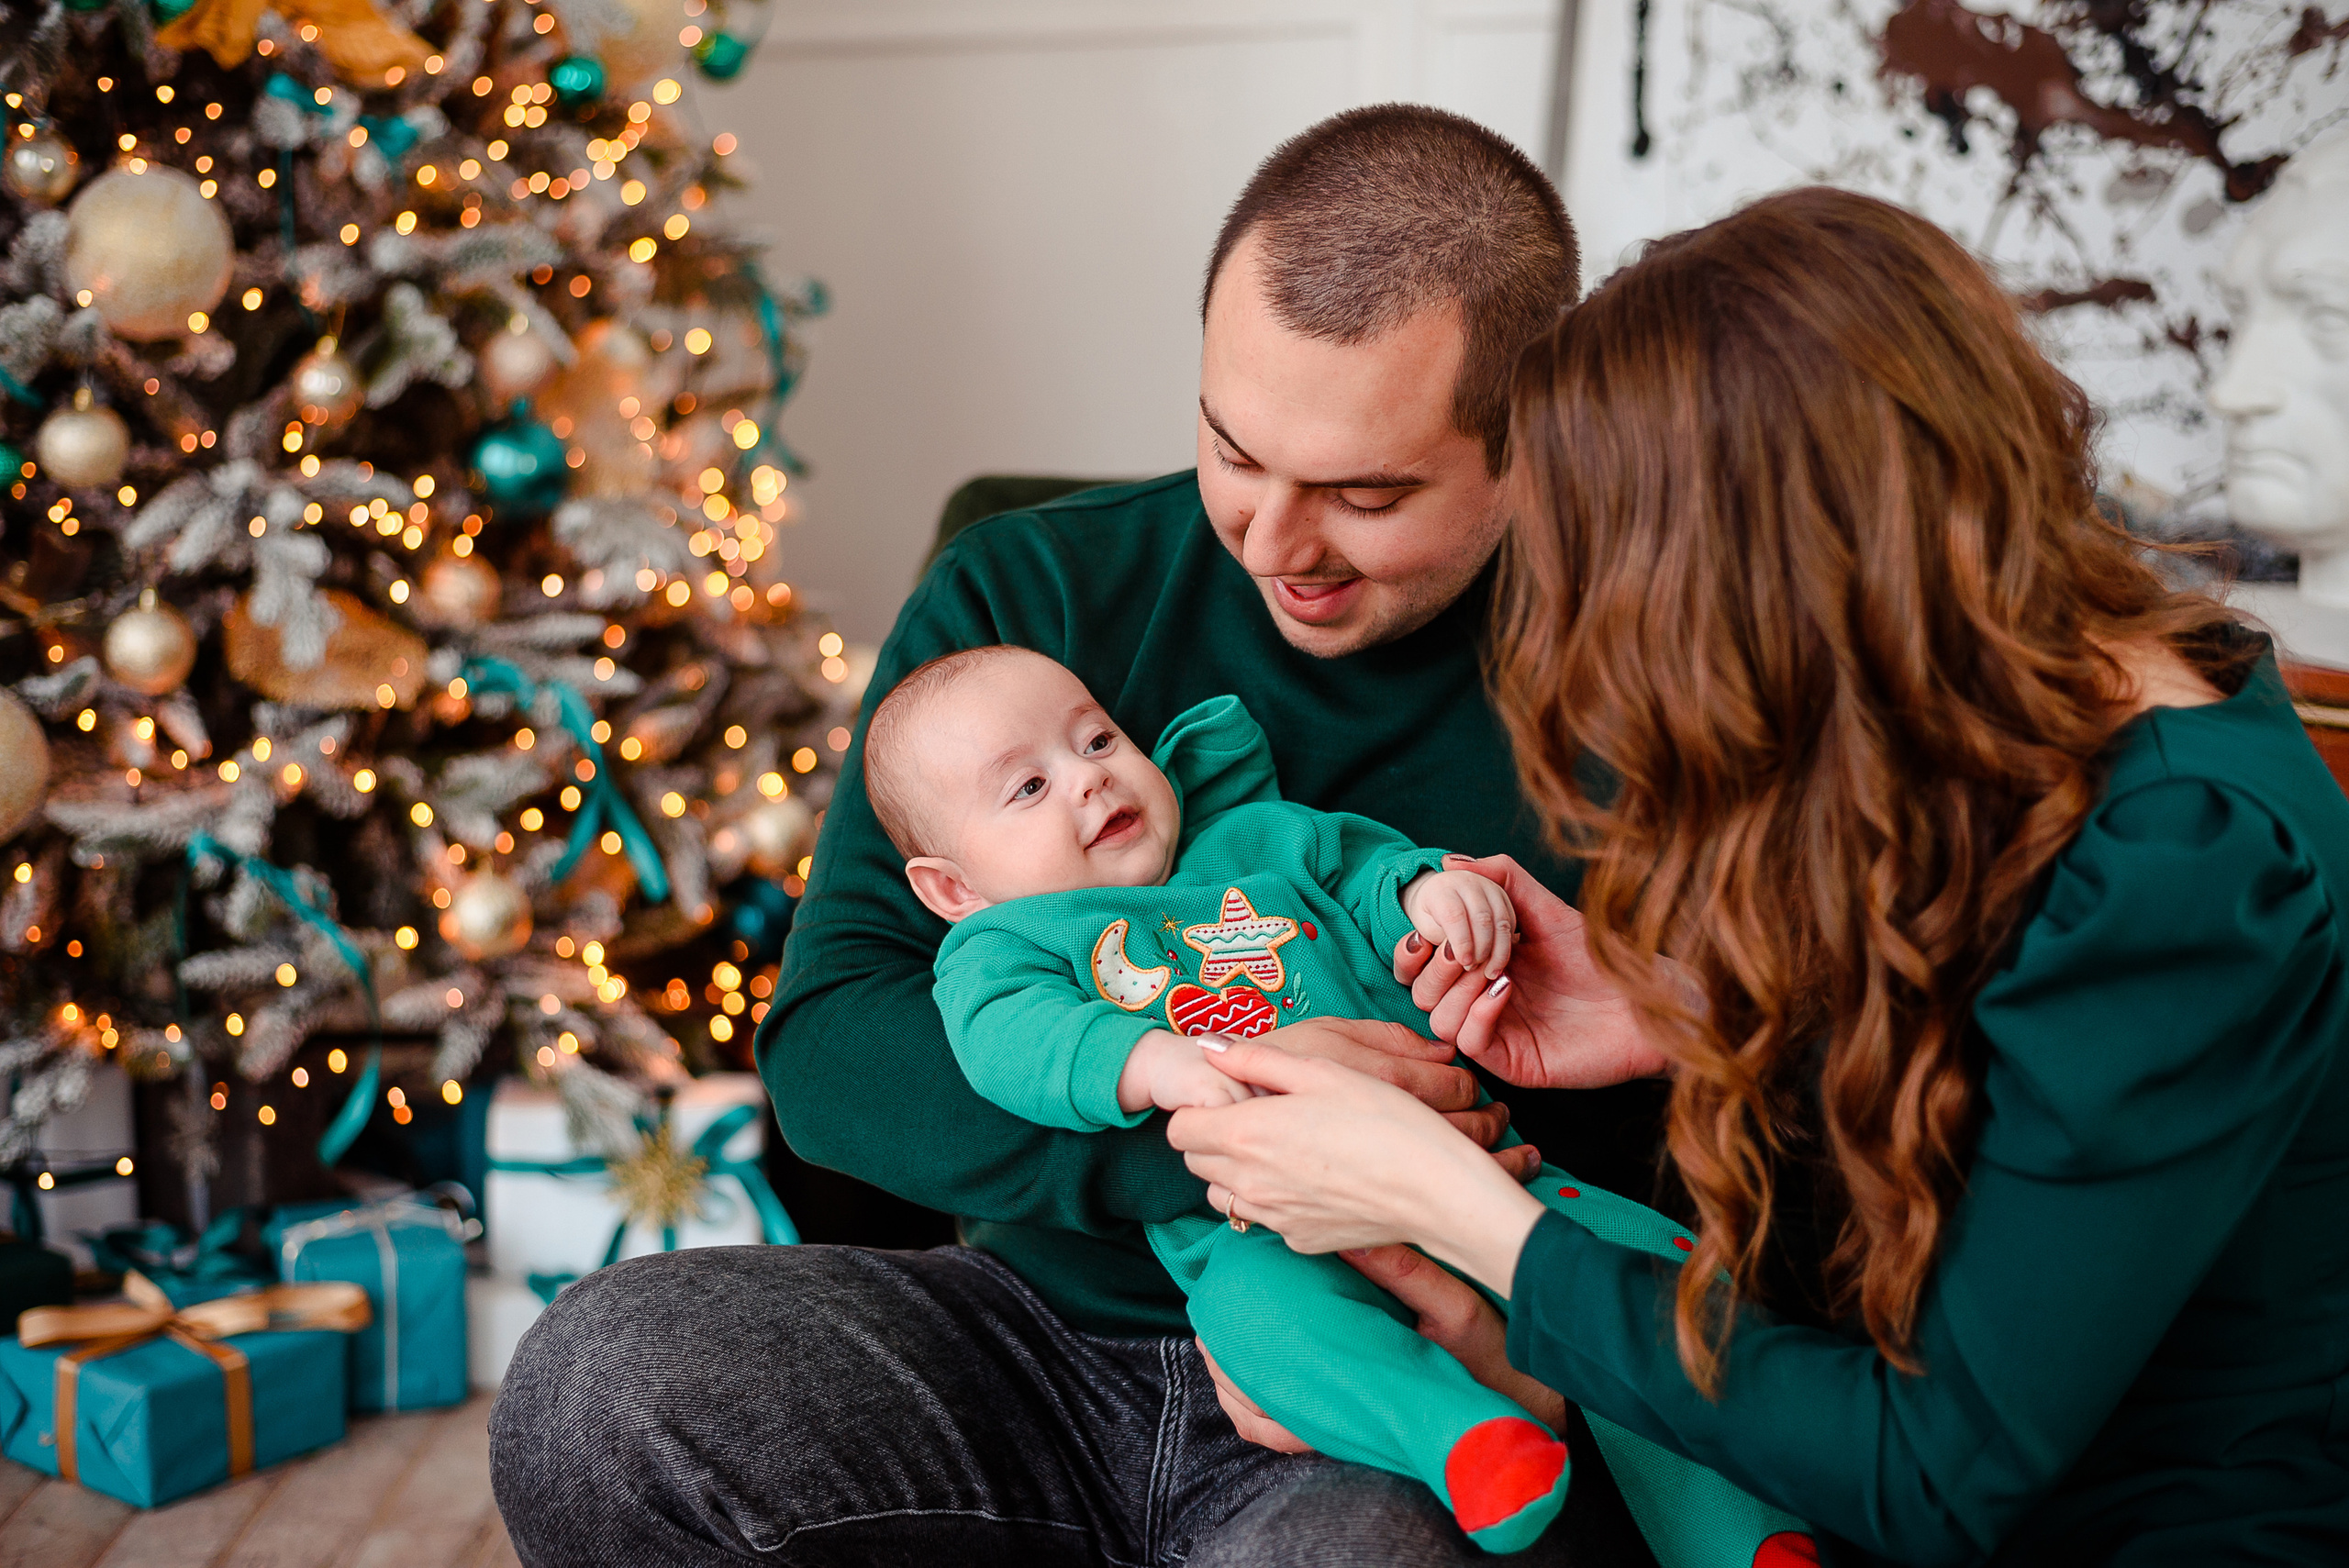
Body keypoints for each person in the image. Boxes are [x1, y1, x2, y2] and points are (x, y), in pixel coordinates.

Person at [490, 106, 1665, 1566]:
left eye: (1364, 496)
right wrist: (1243, 1131)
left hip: (1395, 1382)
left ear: (1532, 445)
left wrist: (1508, 1296)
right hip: (1034, 1340)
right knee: (593, 1389)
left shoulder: (1651, 673)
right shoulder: (1030, 593)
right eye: (1233, 449)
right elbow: (837, 1045)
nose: (1271, 543)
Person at [1165, 186, 2349, 1567]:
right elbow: (2044, 1111)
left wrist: (1458, 1212)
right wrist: (1697, 1010)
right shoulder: (2122, 698)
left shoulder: (2193, 859)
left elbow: (1937, 1468)